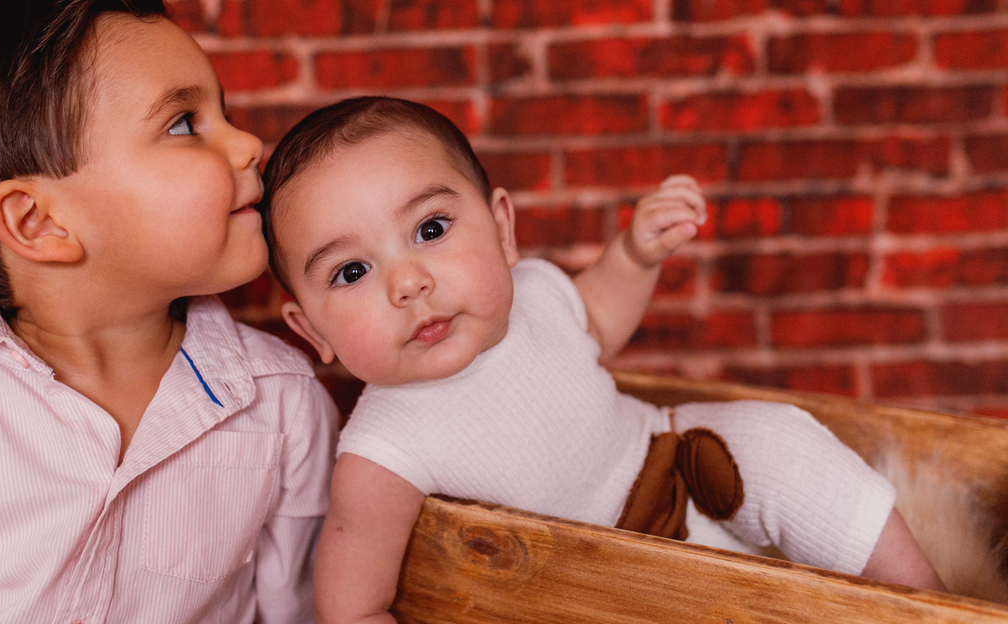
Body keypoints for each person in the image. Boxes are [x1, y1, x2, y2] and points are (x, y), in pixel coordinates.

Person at [258, 96, 946, 624]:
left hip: (678, 463)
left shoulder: (536, 295)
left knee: (779, 437)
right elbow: (351, 605)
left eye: (430, 229)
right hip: (592, 588)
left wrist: (636, 255)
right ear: (312, 331)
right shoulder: (380, 452)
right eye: (351, 272)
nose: (407, 282)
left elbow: (602, 317)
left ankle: (927, 599)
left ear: (502, 229)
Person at [0, 0, 338, 623]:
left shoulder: (282, 400)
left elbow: (298, 610)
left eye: (222, 113)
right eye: (183, 124)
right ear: (39, 223)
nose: (248, 144)